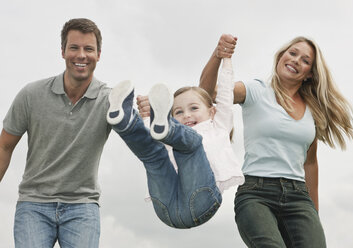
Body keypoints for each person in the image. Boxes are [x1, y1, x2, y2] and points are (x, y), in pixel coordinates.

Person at [199, 34, 353, 247]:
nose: (296, 60)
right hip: (256, 194)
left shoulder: (312, 111)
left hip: (298, 198)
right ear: (281, 56)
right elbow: (207, 94)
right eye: (292, 53)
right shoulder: (255, 90)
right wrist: (218, 55)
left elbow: (310, 163)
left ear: (309, 74)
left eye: (305, 60)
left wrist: (313, 215)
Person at [0, 18, 111, 248]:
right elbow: (4, 146)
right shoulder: (31, 95)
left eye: (88, 49)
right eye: (74, 47)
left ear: (98, 54)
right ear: (63, 51)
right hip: (34, 204)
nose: (81, 55)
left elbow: (143, 134)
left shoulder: (110, 100)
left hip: (83, 205)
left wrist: (148, 109)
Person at [107, 58, 244, 228]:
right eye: (178, 112)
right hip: (166, 207)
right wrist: (146, 117)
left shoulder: (219, 124)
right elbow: (150, 138)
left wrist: (227, 59)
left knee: (191, 144)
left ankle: (162, 122)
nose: (186, 115)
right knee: (154, 155)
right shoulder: (168, 135)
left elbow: (225, 94)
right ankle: (125, 122)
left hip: (201, 202)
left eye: (194, 108)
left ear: (212, 111)